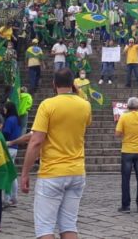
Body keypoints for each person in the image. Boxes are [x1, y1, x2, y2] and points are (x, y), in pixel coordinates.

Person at [21, 68, 92, 239]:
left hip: (52, 172)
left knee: (45, 227)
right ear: (73, 84)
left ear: (54, 84)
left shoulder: (48, 105)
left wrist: (25, 173)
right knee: (69, 225)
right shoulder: (85, 105)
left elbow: (36, 141)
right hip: (77, 171)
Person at [1, 102, 22, 208]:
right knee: (12, 174)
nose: (4, 110)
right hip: (15, 148)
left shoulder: (9, 120)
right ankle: (14, 197)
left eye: (5, 108)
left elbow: (6, 133)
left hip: (8, 146)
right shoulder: (17, 119)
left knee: (7, 174)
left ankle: (7, 198)